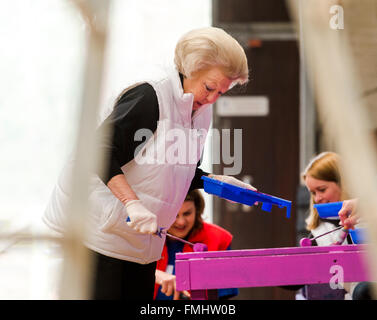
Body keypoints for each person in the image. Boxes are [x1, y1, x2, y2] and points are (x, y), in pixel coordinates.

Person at [43, 27, 255, 300]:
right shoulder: (149, 96)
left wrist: (215, 182)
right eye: (210, 87)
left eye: (222, 93)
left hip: (140, 242)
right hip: (94, 233)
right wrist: (132, 202)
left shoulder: (200, 108)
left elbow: (176, 169)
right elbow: (99, 152)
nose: (213, 99)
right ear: (191, 69)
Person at [154, 190, 238, 300]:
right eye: (174, 215)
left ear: (197, 210)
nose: (181, 222)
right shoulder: (142, 237)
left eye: (187, 213)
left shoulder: (218, 239)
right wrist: (156, 275)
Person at [300, 151, 353, 300]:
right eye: (313, 193)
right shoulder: (318, 233)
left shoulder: (368, 219)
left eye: (322, 190)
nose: (318, 198)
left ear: (343, 183)